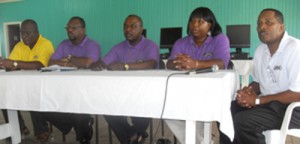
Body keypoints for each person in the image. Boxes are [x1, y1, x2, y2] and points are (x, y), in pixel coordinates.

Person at [221, 8, 300, 144]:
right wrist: (248, 91)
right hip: (270, 104)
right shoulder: (260, 51)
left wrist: (257, 100)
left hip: (293, 108)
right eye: (259, 23)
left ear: (281, 27)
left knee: (244, 122)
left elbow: (297, 93)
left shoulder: (295, 49)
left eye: (268, 22)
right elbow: (258, 82)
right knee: (226, 111)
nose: (262, 27)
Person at [30, 16, 101, 144]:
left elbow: (86, 63)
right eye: (68, 28)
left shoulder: (93, 45)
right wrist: (73, 63)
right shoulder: (64, 44)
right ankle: (81, 123)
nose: (69, 30)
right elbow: (51, 62)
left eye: (74, 28)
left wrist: (68, 57)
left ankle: (83, 131)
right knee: (37, 107)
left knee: (79, 115)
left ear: (83, 30)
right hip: (62, 91)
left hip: (84, 94)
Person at [165, 7, 230, 144]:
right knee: (166, 109)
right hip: (184, 91)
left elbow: (222, 63)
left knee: (196, 113)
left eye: (200, 21)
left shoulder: (220, 39)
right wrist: (179, 63)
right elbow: (169, 63)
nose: (195, 25)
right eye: (192, 21)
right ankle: (202, 141)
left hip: (211, 92)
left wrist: (195, 63)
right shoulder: (181, 42)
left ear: (210, 24)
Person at [91, 14, 159, 144]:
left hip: (144, 93)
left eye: (133, 26)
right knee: (106, 106)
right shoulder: (118, 47)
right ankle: (134, 137)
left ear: (141, 28)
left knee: (143, 109)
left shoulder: (151, 45)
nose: (128, 29)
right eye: (125, 26)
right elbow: (104, 62)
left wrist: (125, 66)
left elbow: (151, 63)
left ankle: (131, 138)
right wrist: (97, 64)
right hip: (120, 93)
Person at [0, 19, 54, 137]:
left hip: (42, 86)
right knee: (4, 96)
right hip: (22, 85)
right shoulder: (19, 46)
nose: (24, 36)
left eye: (28, 33)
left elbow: (39, 65)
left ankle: (42, 130)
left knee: (33, 95)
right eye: (22, 33)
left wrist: (15, 64)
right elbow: (12, 64)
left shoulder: (46, 44)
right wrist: (6, 64)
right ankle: (18, 128)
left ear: (37, 32)